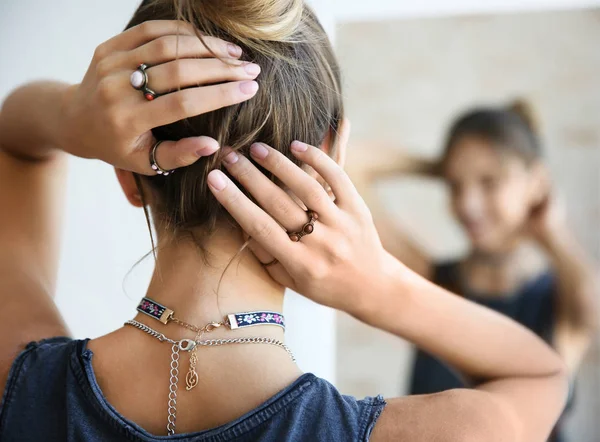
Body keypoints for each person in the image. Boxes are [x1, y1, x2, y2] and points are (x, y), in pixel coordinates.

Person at [0, 1, 568, 441]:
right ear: (330, 157)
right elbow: (542, 376)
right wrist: (376, 288)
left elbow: (16, 139)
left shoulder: (17, 381)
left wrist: (72, 116)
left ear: (126, 174)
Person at [348, 101, 598, 441]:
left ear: (537, 181)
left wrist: (552, 232)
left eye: (489, 181)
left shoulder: (559, 300)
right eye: (455, 185)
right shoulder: (433, 282)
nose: (468, 204)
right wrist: (438, 166)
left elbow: (592, 306)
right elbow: (350, 163)